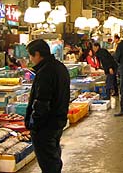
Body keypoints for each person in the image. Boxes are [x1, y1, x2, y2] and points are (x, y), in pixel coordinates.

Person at [25, 39, 70, 173]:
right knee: (54, 158)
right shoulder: (59, 66)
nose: (30, 59)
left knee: (48, 163)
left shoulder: (45, 71)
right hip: (58, 121)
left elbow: (42, 102)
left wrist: (34, 124)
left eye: (31, 56)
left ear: (37, 54)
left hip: (46, 126)